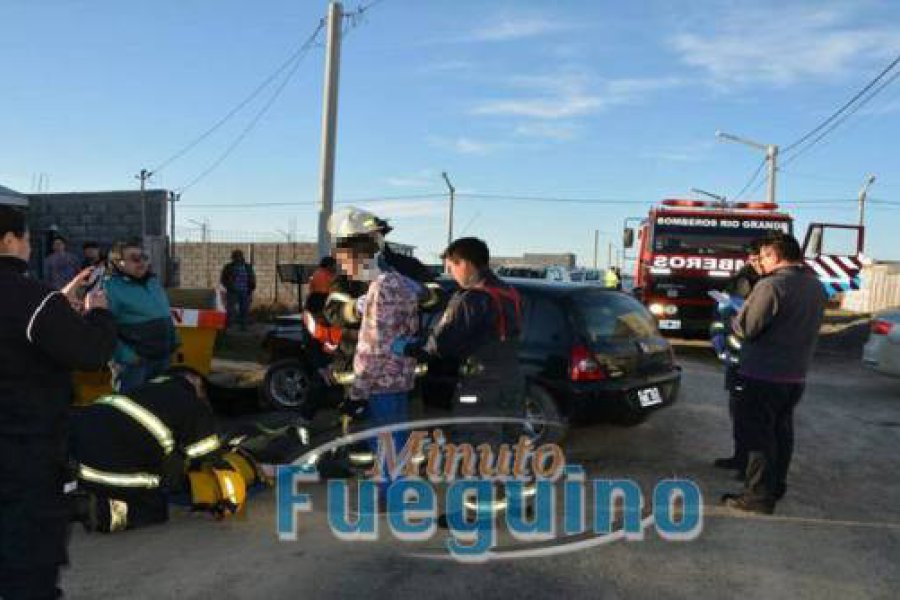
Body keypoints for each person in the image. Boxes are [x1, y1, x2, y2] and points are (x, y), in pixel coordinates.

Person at [0, 204, 118, 599]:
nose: (30, 248)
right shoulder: (30, 297)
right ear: (9, 241)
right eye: (27, 240)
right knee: (28, 563)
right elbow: (91, 352)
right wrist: (98, 314)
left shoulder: (40, 303)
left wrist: (58, 304)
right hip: (24, 455)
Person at [393, 237, 526, 519]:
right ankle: (520, 505)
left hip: (480, 383)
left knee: (475, 445)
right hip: (512, 379)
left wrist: (410, 348)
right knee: (511, 442)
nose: (450, 273)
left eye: (451, 266)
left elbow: (442, 345)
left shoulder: (471, 299)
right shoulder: (510, 293)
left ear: (464, 263)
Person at [721, 231, 827, 514]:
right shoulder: (815, 285)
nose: (760, 261)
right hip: (795, 373)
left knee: (759, 436)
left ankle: (757, 497)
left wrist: (732, 316)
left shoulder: (771, 285)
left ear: (774, 255)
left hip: (762, 373)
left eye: (763, 256)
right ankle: (775, 486)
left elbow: (747, 328)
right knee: (781, 432)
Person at [325, 208, 423, 506]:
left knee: (384, 440)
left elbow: (374, 348)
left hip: (379, 381)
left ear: (358, 257)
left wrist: (357, 394)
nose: (344, 269)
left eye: (345, 262)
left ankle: (390, 496)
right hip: (400, 377)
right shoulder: (401, 282)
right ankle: (398, 490)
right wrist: (360, 307)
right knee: (396, 438)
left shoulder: (381, 288)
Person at [69, 368, 236, 532]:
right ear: (194, 382)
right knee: (154, 508)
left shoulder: (143, 390)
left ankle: (81, 497)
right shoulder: (191, 403)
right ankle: (96, 511)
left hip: (80, 464)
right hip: (110, 471)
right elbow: (206, 455)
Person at [103, 238, 181, 393]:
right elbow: (104, 329)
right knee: (131, 405)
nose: (142, 262)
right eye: (134, 258)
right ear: (118, 263)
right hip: (134, 365)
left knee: (158, 401)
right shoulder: (109, 287)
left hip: (163, 357)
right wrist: (127, 356)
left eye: (144, 257)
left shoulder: (153, 282)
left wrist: (174, 340)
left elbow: (163, 313)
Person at [713, 240, 763, 474]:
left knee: (755, 416)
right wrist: (719, 341)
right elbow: (720, 316)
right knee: (738, 411)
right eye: (751, 258)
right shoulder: (739, 279)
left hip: (757, 361)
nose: (754, 262)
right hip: (735, 359)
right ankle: (739, 457)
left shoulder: (769, 284)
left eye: (758, 258)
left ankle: (750, 467)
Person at [220, 249, 256, 331]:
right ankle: (229, 326)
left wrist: (252, 287)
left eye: (239, 256)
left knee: (244, 309)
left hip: (245, 291)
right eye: (235, 256)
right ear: (233, 258)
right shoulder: (228, 267)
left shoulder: (247, 267)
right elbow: (223, 279)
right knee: (230, 310)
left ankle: (244, 326)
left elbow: (252, 277)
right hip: (233, 291)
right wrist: (229, 287)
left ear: (242, 257)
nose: (237, 258)